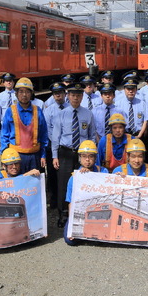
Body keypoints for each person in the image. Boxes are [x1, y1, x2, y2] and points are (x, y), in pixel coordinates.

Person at [51, 82, 96, 227]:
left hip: (83, 154)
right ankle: (63, 214)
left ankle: (82, 213)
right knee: (63, 184)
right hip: (65, 153)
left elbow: (92, 136)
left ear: (82, 96)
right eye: (72, 95)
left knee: (84, 183)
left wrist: (90, 156)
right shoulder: (61, 114)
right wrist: (54, 156)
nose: (75, 98)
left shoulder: (88, 114)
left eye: (78, 95)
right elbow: (55, 137)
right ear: (68, 96)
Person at [64, 140, 109, 246]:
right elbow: (70, 203)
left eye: (91, 156)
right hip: (82, 214)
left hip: (99, 213)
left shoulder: (104, 172)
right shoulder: (74, 177)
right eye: (84, 156)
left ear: (95, 158)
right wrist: (72, 225)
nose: (87, 160)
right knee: (70, 240)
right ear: (80, 158)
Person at [0, 77, 48, 172]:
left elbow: (43, 135)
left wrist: (43, 155)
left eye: (27, 92)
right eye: (21, 92)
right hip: (16, 156)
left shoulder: (37, 111)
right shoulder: (10, 111)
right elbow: (4, 135)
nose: (24, 95)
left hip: (35, 156)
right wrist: (5, 155)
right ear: (16, 94)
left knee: (35, 185)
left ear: (31, 94)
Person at [43, 82, 68, 208]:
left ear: (65, 93)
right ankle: (53, 200)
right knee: (52, 174)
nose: (58, 96)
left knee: (66, 173)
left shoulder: (70, 108)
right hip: (52, 145)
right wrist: (55, 143)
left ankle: (65, 199)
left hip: (66, 147)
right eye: (55, 94)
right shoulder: (49, 111)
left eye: (60, 93)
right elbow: (47, 129)